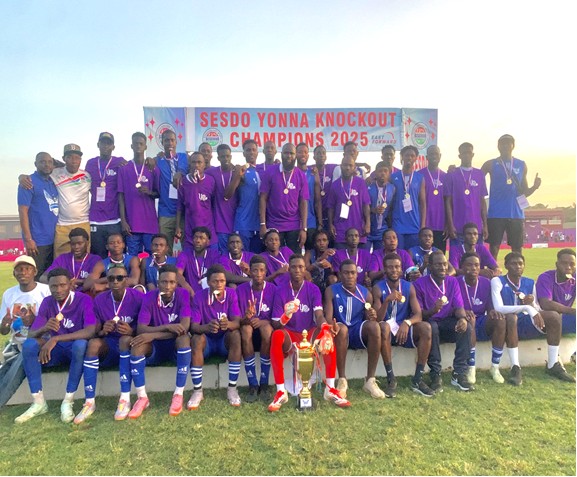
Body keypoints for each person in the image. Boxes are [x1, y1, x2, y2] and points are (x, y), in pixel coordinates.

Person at [267, 254, 350, 412]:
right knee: (276, 335)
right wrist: (286, 316)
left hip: (308, 333)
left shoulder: (313, 289)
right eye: (294, 267)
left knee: (326, 334)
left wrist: (325, 327)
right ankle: (280, 391)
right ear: (289, 270)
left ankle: (330, 388)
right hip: (289, 333)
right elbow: (276, 324)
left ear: (305, 269)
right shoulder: (280, 291)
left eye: (300, 267)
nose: (297, 270)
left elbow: (318, 315)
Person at [15, 268, 96, 424]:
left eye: (62, 285)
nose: (58, 290)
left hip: (74, 349)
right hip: (56, 351)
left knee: (80, 345)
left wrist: (56, 338)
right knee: (29, 345)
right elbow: (31, 334)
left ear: (70, 284)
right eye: (53, 286)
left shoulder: (83, 299)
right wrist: (45, 328)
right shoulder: (47, 302)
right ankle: (38, 402)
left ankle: (68, 401)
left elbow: (90, 331)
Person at [73, 264, 143, 423]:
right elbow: (95, 331)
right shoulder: (100, 299)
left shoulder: (138, 298)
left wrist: (131, 331)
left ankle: (124, 399)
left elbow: (146, 326)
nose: (115, 281)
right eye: (111, 278)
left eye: (120, 278)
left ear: (126, 280)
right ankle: (89, 402)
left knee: (125, 339)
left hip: (131, 344)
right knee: (93, 344)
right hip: (110, 344)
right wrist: (103, 330)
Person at [491, 252, 575, 384]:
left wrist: (531, 304)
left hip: (526, 321)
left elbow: (538, 308)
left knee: (553, 316)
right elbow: (498, 308)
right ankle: (515, 367)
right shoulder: (497, 281)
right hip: (507, 323)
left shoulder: (529, 282)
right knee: (512, 318)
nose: (518, 266)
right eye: (514, 264)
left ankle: (553, 364)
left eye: (521, 264)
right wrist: (527, 308)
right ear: (506, 265)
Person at [128, 264, 192, 418]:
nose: (168, 286)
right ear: (158, 283)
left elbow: (184, 327)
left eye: (172, 282)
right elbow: (141, 329)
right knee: (138, 345)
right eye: (164, 282)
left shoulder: (183, 295)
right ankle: (142, 397)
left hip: (174, 345)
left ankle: (178, 394)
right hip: (155, 348)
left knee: (184, 339)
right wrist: (168, 327)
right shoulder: (149, 297)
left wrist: (153, 334)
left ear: (176, 283)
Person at [372, 253, 434, 397]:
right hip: (385, 332)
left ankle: (417, 379)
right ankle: (391, 378)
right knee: (384, 327)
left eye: (397, 267)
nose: (394, 270)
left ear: (401, 269)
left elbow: (418, 314)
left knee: (426, 328)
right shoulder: (378, 288)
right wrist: (387, 300)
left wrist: (407, 323)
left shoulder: (408, 287)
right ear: (385, 269)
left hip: (403, 330)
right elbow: (377, 319)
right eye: (390, 267)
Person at [413, 250, 474, 392]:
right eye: (438, 264)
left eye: (445, 264)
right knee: (432, 327)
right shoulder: (419, 284)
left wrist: (462, 318)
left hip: (446, 322)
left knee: (467, 328)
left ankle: (459, 373)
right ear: (430, 266)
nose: (442, 267)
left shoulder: (452, 281)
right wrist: (433, 310)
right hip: (428, 322)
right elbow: (419, 314)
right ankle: (436, 374)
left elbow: (459, 306)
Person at [324, 260, 385, 398]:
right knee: (342, 329)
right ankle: (342, 380)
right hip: (339, 331)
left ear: (357, 275)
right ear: (340, 274)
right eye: (346, 273)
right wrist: (333, 325)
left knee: (375, 327)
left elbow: (368, 318)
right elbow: (328, 318)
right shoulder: (331, 290)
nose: (350, 276)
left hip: (357, 330)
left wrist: (371, 315)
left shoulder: (365, 293)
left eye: (353, 273)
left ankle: (370, 380)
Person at [189, 265, 243, 408]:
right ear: (208, 282)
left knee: (236, 335)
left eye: (222, 281)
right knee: (196, 339)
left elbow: (237, 322)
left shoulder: (231, 294)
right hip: (207, 342)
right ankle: (197, 391)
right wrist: (206, 327)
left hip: (223, 341)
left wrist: (228, 324)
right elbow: (193, 327)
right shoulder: (199, 296)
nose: (219, 284)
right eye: (215, 281)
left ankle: (232, 389)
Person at [0, 256, 50, 409]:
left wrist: (35, 321)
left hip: (38, 343)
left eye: (27, 269)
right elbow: (4, 331)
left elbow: (53, 324)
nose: (23, 272)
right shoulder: (9, 294)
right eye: (19, 270)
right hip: (16, 344)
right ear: (14, 274)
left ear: (35, 272)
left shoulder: (45, 291)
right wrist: (5, 324)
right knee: (5, 369)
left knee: (19, 362)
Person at [482, 134, 541, 260]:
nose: (505, 146)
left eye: (508, 143)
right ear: (498, 146)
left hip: (516, 213)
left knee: (517, 248)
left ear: (513, 145)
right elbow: (475, 179)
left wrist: (535, 187)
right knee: (494, 247)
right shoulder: (490, 164)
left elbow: (524, 192)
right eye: (502, 143)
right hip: (496, 213)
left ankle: (517, 271)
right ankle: (493, 271)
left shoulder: (521, 164)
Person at [457, 252, 507, 385]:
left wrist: (492, 312)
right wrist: (463, 312)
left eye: (477, 265)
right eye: (469, 265)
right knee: (470, 319)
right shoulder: (456, 282)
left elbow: (490, 307)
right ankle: (471, 367)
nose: (474, 268)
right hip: (464, 320)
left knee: (500, 320)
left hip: (481, 320)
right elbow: (453, 306)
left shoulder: (486, 282)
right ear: (462, 267)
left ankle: (495, 367)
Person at [236, 256, 276, 402]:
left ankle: (264, 383)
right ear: (249, 272)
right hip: (248, 333)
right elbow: (237, 320)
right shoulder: (240, 290)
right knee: (246, 329)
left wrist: (263, 321)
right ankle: (253, 384)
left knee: (267, 329)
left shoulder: (273, 289)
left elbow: (276, 318)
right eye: (255, 270)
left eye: (261, 270)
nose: (258, 274)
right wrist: (246, 317)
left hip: (266, 334)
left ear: (266, 272)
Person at [259, 143, 309, 253]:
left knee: (294, 258)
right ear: (281, 154)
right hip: (274, 225)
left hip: (294, 225)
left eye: (292, 153)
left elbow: (303, 202)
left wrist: (304, 228)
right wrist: (263, 224)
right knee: (275, 257)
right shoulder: (270, 172)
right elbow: (263, 198)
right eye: (286, 153)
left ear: (295, 155)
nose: (289, 156)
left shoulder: (300, 175)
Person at [17, 152, 59, 279]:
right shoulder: (28, 182)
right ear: (35, 164)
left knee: (51, 279)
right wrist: (28, 239)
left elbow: (67, 166)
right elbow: (23, 211)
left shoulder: (53, 181)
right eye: (42, 162)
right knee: (36, 278)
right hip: (38, 241)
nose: (47, 165)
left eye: (50, 162)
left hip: (55, 240)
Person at [84, 132, 126, 258]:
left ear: (113, 147)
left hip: (114, 219)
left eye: (109, 143)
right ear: (98, 144)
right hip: (95, 219)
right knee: (98, 257)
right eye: (103, 143)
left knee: (117, 256)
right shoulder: (90, 163)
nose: (106, 146)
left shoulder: (120, 162)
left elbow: (135, 169)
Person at [118, 132, 160, 256]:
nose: (138, 146)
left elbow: (158, 193)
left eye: (141, 144)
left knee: (152, 258)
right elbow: (121, 197)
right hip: (132, 224)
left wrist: (149, 192)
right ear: (131, 146)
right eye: (136, 143)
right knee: (132, 259)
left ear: (145, 146)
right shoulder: (124, 169)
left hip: (150, 224)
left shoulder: (153, 168)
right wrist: (123, 221)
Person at [444, 142, 488, 247]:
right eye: (464, 153)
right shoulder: (452, 174)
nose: (467, 155)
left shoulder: (479, 174)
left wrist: (485, 225)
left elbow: (482, 202)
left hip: (476, 229)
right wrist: (450, 224)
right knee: (457, 257)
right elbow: (448, 202)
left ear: (473, 154)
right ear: (459, 156)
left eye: (469, 152)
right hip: (458, 227)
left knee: (476, 257)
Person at [51, 144, 92, 258]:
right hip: (62, 225)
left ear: (80, 160)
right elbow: (40, 171)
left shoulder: (87, 176)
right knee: (60, 261)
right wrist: (22, 177)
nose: (74, 161)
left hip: (83, 223)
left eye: (77, 157)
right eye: (69, 157)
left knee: (83, 260)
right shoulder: (55, 173)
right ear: (64, 158)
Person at [155, 129, 189, 256]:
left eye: (172, 140)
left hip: (183, 211)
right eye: (166, 140)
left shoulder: (184, 157)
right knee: (164, 248)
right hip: (165, 212)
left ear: (176, 142)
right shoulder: (158, 161)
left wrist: (179, 172)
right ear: (162, 142)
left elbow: (184, 169)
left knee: (186, 247)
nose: (170, 143)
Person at [327, 153, 371, 250]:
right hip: (341, 230)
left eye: (350, 165)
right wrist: (330, 224)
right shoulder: (335, 185)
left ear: (354, 167)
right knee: (342, 258)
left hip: (359, 229)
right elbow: (331, 207)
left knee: (360, 258)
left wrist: (368, 223)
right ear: (341, 166)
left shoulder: (361, 183)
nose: (347, 168)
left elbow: (366, 204)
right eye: (345, 165)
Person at [41, 228, 103, 294]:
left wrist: (79, 281)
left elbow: (97, 281)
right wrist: (66, 283)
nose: (76, 247)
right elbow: (42, 278)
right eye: (73, 244)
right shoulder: (62, 258)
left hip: (86, 294)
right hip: (64, 294)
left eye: (80, 243)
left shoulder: (95, 259)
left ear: (87, 243)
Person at [176, 152, 217, 250]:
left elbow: (214, 204)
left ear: (204, 164)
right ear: (189, 164)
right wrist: (177, 226)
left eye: (199, 162)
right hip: (190, 231)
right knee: (189, 257)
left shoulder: (211, 181)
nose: (196, 165)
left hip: (208, 229)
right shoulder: (183, 181)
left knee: (212, 257)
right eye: (194, 162)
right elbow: (180, 206)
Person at [229, 139, 263, 253]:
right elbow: (229, 193)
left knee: (257, 259)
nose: (251, 152)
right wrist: (237, 175)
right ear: (243, 153)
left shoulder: (263, 171)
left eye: (254, 150)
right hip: (243, 223)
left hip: (260, 224)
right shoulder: (241, 170)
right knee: (243, 257)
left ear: (258, 152)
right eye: (248, 150)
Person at [391, 145, 426, 250]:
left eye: (412, 156)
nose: (409, 158)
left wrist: (422, 225)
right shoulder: (393, 177)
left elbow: (423, 203)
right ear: (402, 157)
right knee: (399, 255)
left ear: (416, 158)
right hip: (398, 225)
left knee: (412, 256)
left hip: (414, 225)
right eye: (406, 155)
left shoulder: (419, 178)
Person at [206, 144, 239, 254]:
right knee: (223, 256)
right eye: (222, 156)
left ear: (231, 157)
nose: (225, 159)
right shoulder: (211, 172)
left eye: (228, 156)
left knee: (236, 256)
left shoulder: (237, 172)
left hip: (236, 223)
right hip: (220, 224)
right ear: (218, 158)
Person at [536, 248, 576, 335]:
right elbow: (545, 304)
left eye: (572, 264)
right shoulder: (546, 278)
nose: (568, 267)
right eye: (564, 263)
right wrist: (573, 311)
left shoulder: (575, 278)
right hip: (545, 318)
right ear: (557, 264)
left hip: (564, 316)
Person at [175, 227, 221, 298]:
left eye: (201, 238)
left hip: (209, 295)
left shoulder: (214, 255)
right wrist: (188, 289)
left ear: (208, 242)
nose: (198, 240)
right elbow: (178, 274)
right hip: (190, 296)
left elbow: (217, 274)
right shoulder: (185, 255)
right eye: (195, 237)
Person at [420, 145, 447, 252]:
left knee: (439, 256)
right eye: (431, 154)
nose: (434, 156)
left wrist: (448, 224)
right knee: (423, 256)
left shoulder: (446, 176)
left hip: (441, 224)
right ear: (427, 157)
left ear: (440, 156)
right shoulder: (419, 175)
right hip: (424, 224)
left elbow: (448, 201)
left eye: (436, 154)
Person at [296, 142, 322, 249]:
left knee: (309, 252)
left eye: (305, 152)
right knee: (295, 253)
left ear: (308, 155)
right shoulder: (291, 172)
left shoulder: (313, 173)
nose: (303, 154)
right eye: (300, 152)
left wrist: (320, 223)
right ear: (295, 154)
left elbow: (318, 200)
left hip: (310, 221)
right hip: (294, 222)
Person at [367, 161, 395, 251]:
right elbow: (361, 207)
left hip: (382, 230)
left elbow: (392, 209)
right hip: (368, 230)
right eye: (380, 171)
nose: (383, 173)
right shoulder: (368, 187)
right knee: (365, 256)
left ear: (389, 173)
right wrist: (372, 210)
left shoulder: (392, 188)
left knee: (381, 256)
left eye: (385, 171)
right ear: (375, 173)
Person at [304, 229, 337, 295]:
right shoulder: (309, 253)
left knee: (333, 278)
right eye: (318, 241)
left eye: (324, 240)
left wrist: (330, 266)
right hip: (313, 279)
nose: (322, 243)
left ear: (328, 242)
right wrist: (318, 262)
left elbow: (338, 271)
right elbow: (304, 270)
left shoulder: (333, 252)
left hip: (327, 280)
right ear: (314, 243)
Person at [311, 145, 336, 231]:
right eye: (318, 153)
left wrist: (362, 164)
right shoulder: (310, 169)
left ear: (326, 157)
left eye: (323, 153)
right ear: (314, 157)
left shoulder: (332, 168)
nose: (321, 155)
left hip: (329, 214)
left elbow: (346, 164)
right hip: (315, 214)